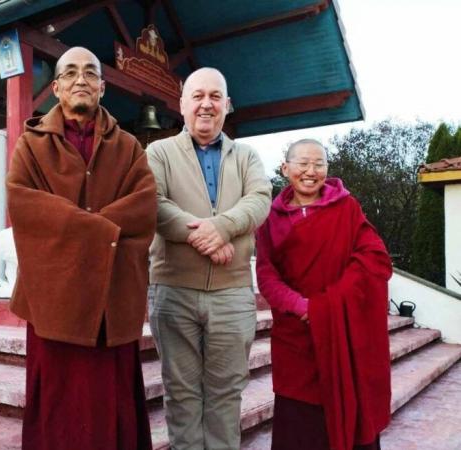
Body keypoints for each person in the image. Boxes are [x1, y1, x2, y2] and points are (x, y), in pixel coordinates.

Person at [7, 47, 157, 450]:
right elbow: (23, 204)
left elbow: (144, 206)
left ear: (103, 87)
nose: (81, 80)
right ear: (55, 87)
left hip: (111, 301)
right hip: (52, 301)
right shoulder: (32, 145)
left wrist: (83, 230)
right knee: (59, 410)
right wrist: (101, 231)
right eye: (70, 73)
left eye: (90, 73)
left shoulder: (127, 147)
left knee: (111, 406)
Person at [146, 67, 272, 450]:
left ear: (227, 105)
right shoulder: (158, 152)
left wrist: (224, 226)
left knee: (225, 395)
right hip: (173, 292)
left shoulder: (247, 156)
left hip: (232, 296)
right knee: (181, 395)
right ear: (182, 104)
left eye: (215, 96)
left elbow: (260, 199)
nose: (206, 104)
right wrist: (209, 237)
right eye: (197, 95)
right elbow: (153, 204)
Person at [256, 139, 392, 450]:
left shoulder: (346, 207)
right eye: (303, 163)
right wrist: (302, 307)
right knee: (300, 420)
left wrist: (331, 303)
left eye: (319, 164)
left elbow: (375, 257)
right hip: (296, 335)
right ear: (285, 168)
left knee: (348, 408)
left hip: (343, 333)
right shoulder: (270, 218)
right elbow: (266, 274)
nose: (311, 171)